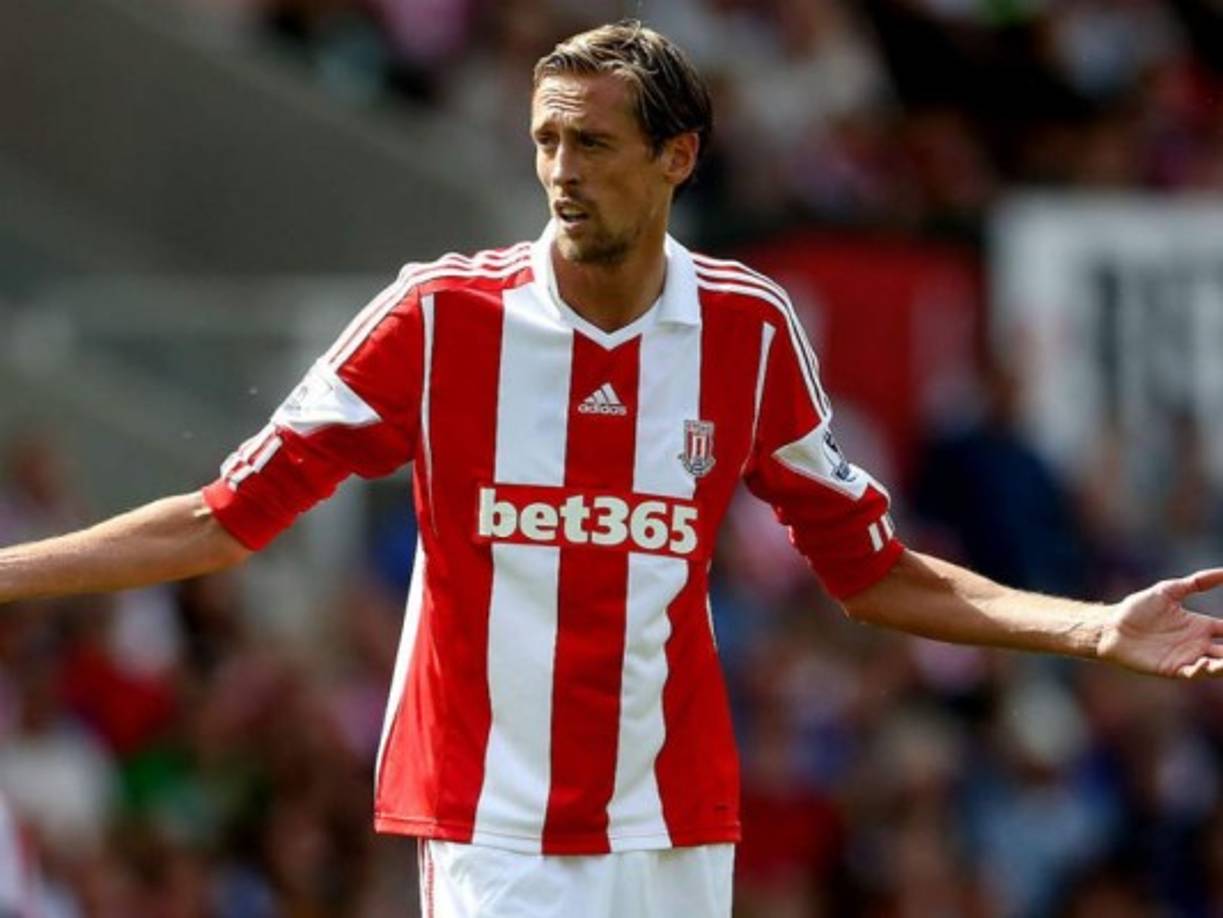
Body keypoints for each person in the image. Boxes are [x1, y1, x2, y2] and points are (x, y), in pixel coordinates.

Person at [2, 20, 1223, 918]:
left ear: (677, 157)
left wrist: (1087, 629)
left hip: (675, 830)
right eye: (544, 141)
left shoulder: (744, 332)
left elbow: (869, 573)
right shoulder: (438, 320)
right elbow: (223, 520)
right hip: (494, 830)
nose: (560, 171)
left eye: (592, 142)